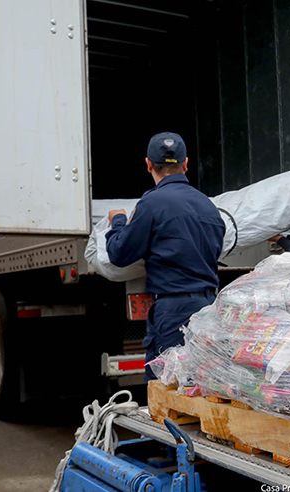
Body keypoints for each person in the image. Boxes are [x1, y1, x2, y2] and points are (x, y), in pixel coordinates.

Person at [106, 132, 225, 381]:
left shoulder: (152, 203)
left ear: (148, 164)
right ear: (186, 163)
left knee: (166, 387)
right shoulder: (208, 206)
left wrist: (117, 222)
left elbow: (120, 253)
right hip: (209, 308)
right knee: (200, 385)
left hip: (173, 311)